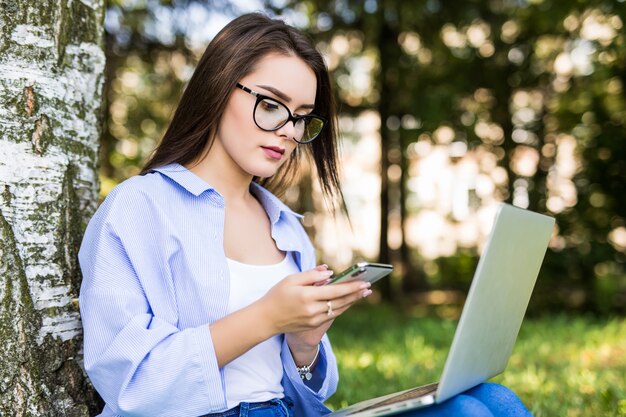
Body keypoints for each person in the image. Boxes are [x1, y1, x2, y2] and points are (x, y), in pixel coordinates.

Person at [78, 12, 533, 417]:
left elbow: (311, 390)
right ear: (217, 88)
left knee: (493, 401)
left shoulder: (286, 227)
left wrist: (304, 342)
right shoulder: (139, 207)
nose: (288, 132)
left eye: (301, 117)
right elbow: (130, 383)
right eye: (271, 105)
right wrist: (267, 317)